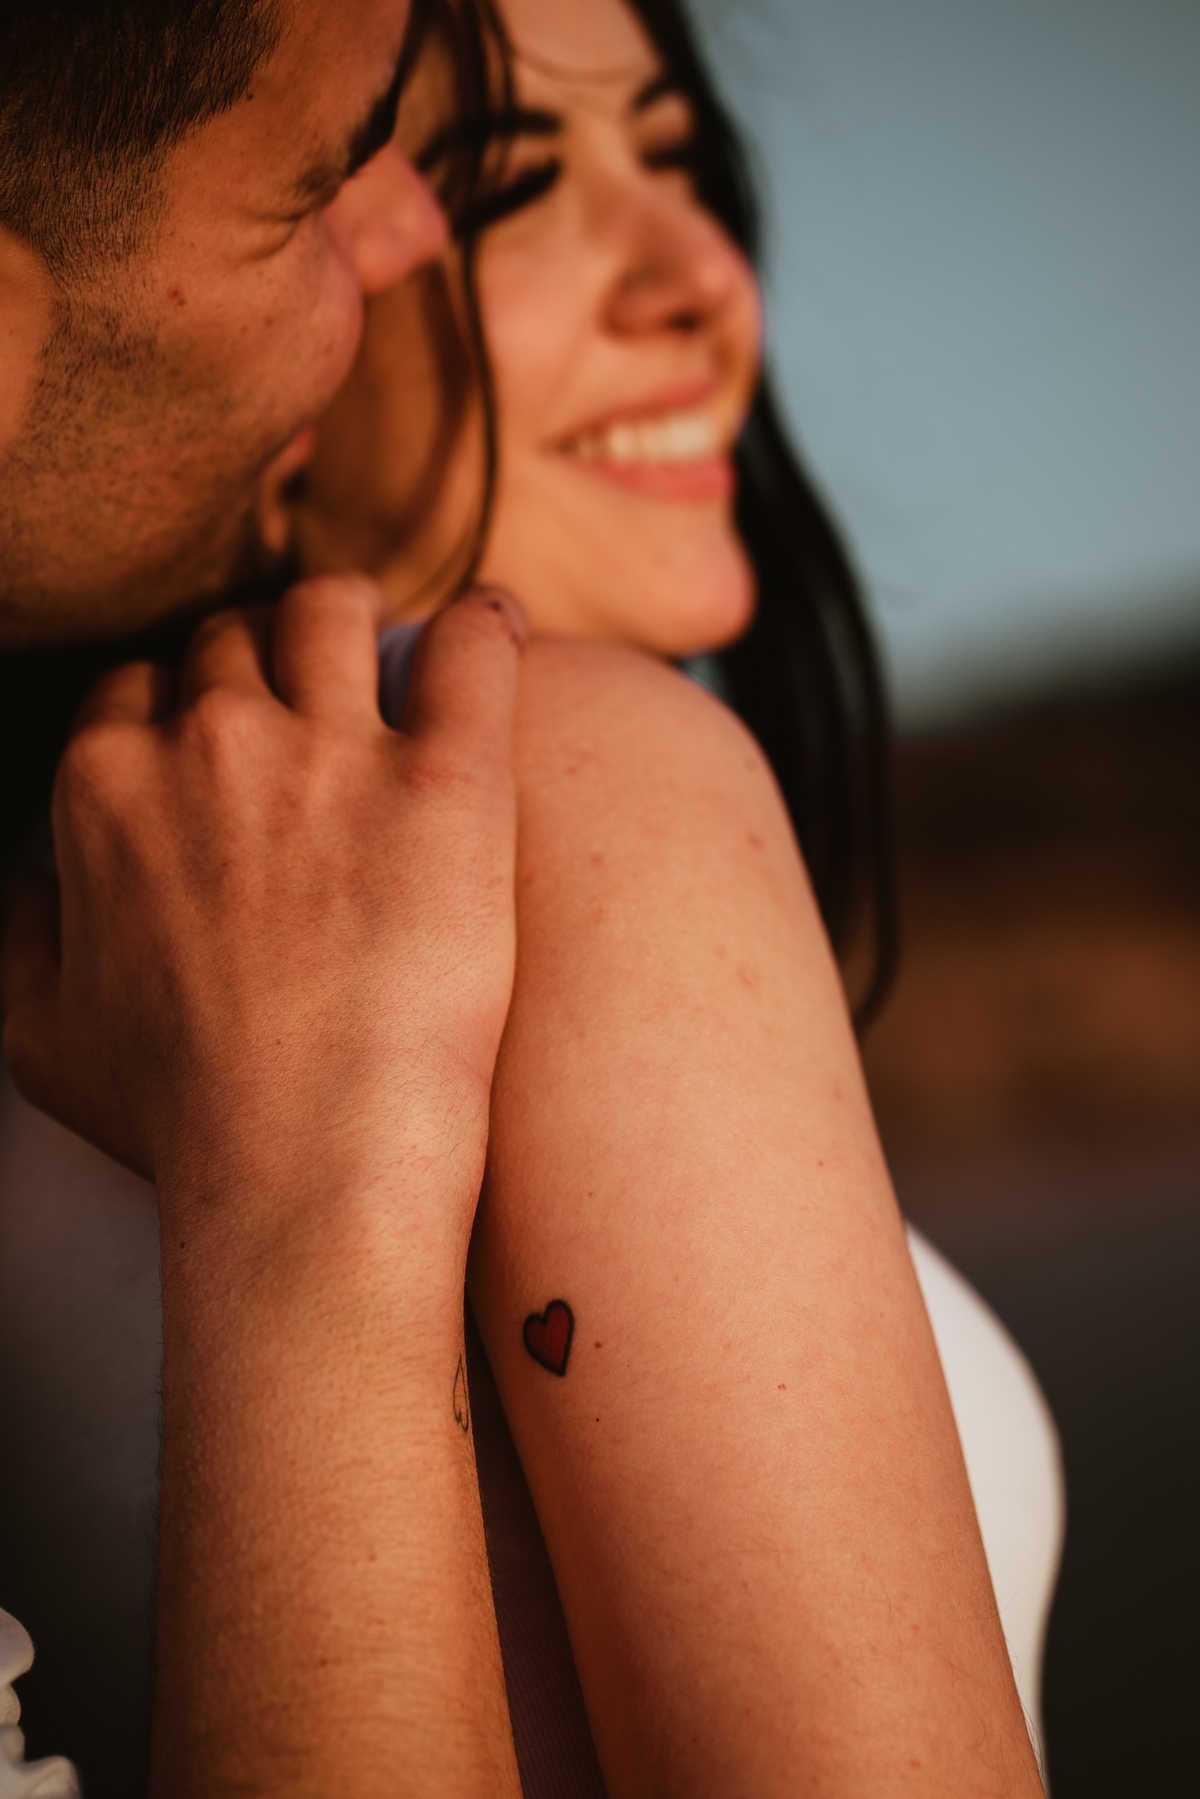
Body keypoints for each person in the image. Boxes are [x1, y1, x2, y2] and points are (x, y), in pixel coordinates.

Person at [0, 5, 1049, 1799]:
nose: (702, 277)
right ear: (292, 394)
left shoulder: (104, 930)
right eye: (497, 186)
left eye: (684, 163)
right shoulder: (560, 785)